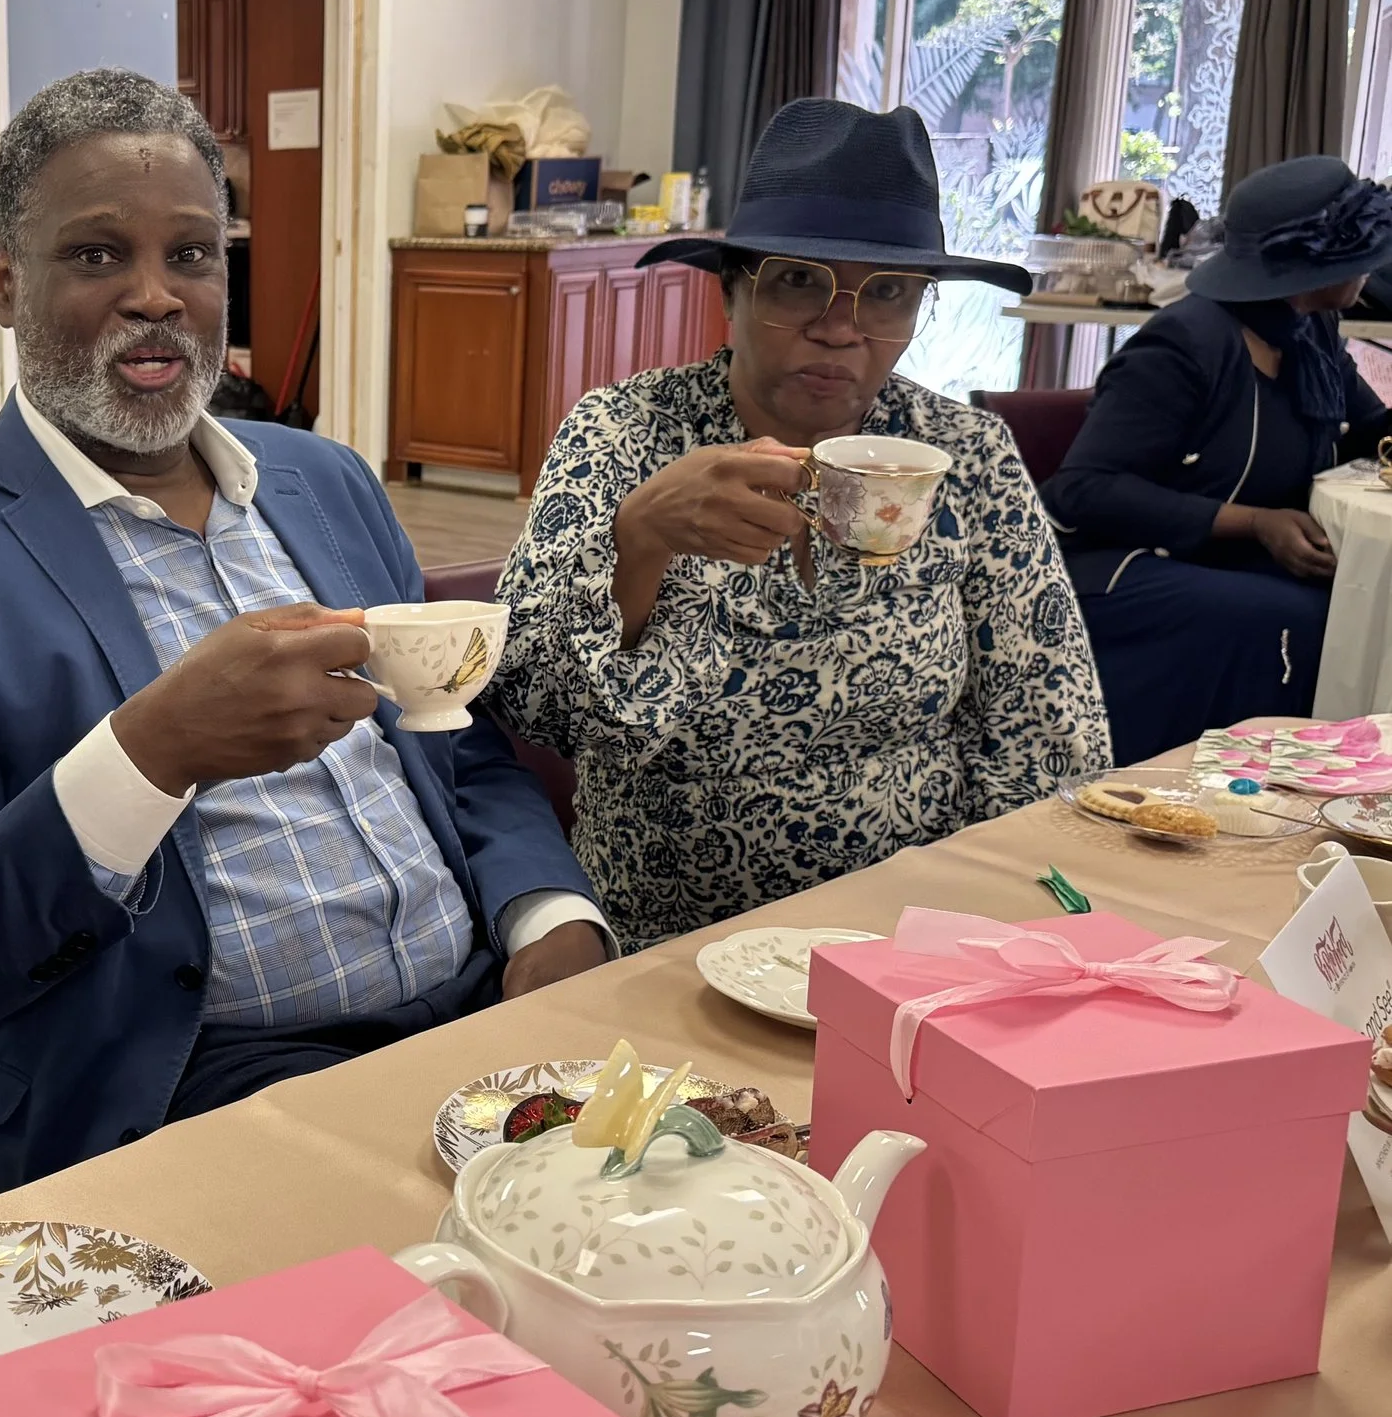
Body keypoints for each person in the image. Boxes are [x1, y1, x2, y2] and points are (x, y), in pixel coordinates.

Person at [0, 68, 608, 1215]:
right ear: (2, 280)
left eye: (190, 255)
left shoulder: (324, 483)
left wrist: (548, 921)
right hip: (197, 1075)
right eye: (94, 257)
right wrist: (149, 753)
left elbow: (460, 751)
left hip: (480, 1010)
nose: (155, 298)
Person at [491, 99, 1111, 950]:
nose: (839, 328)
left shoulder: (964, 452)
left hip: (915, 937)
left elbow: (1049, 733)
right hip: (672, 943)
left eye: (886, 294)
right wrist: (640, 538)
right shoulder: (625, 434)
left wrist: (983, 930)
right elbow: (532, 700)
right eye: (796, 281)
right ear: (732, 290)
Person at [1042, 156, 1392, 764]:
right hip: (1120, 565)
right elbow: (1081, 491)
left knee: (1363, 608)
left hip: (1225, 562)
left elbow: (1367, 431)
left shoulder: (1310, 334)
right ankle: (1219, 790)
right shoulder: (1185, 343)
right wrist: (1255, 521)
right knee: (1306, 615)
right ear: (1316, 263)